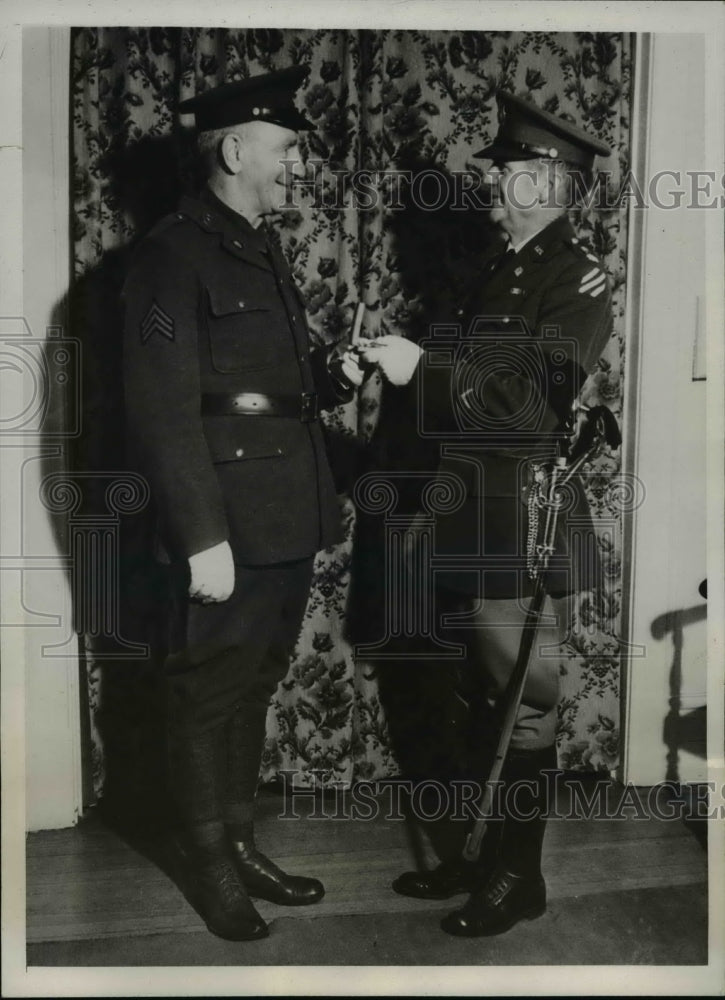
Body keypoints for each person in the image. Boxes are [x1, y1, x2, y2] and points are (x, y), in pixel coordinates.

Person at [358, 91, 613, 937]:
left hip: (519, 521)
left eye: (504, 175)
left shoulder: (575, 280)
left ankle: (517, 877)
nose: (492, 189)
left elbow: (529, 405)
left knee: (522, 699)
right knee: (472, 697)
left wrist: (417, 370)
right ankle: (473, 853)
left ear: (546, 181)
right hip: (463, 512)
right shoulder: (493, 273)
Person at [122, 65, 364, 942]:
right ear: (234, 149)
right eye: (287, 148)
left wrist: (331, 378)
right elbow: (159, 406)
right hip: (223, 523)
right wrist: (199, 538)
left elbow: (264, 394)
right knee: (203, 695)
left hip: (284, 513)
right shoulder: (167, 256)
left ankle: (239, 839)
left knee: (253, 685)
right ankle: (209, 866)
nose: (298, 165)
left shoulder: (259, 246)